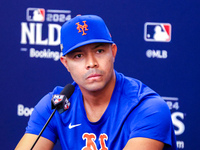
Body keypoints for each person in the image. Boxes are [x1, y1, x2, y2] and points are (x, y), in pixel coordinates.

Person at [15, 15, 177, 150]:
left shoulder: (147, 107)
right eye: (78, 56)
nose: (91, 63)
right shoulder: (55, 105)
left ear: (112, 52)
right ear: (65, 63)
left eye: (99, 51)